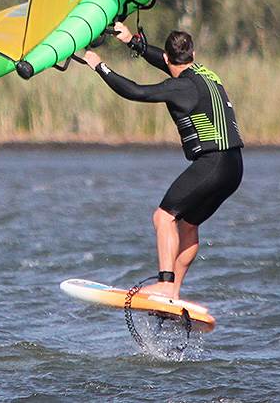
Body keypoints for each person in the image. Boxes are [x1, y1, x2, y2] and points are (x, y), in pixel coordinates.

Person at [81, 23, 243, 299]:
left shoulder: (180, 87)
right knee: (188, 224)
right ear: (192, 54)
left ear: (168, 58)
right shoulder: (206, 74)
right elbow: (167, 62)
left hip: (212, 163)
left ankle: (166, 283)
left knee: (164, 217)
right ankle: (173, 293)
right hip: (234, 167)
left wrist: (99, 66)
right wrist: (132, 41)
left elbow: (135, 91)